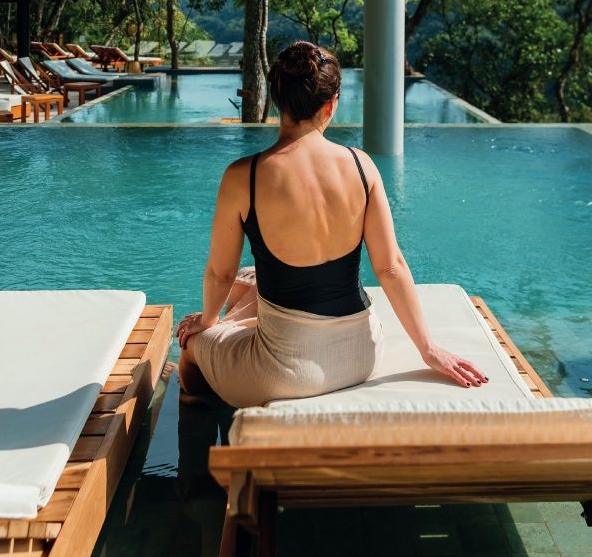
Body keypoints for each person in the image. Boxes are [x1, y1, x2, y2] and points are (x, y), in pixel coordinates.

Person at [176, 40, 488, 405]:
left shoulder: (243, 176)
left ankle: (194, 422)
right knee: (252, 277)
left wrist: (207, 322)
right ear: (331, 104)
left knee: (192, 342)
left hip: (280, 374)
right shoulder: (361, 165)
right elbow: (390, 266)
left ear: (277, 100)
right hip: (362, 354)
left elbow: (218, 275)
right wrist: (429, 348)